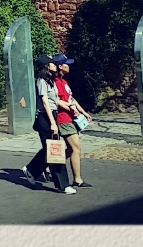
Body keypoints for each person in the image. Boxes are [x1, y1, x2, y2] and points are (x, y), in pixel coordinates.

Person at [22, 54, 76, 194]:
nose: (54, 64)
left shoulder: (50, 80)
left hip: (52, 115)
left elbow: (55, 100)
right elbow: (45, 103)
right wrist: (52, 122)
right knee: (54, 149)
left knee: (50, 148)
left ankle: (31, 170)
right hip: (45, 117)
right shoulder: (41, 81)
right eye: (51, 63)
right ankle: (63, 185)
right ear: (46, 66)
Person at [52, 54, 93, 189]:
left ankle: (48, 165)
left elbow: (71, 99)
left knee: (71, 149)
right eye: (66, 64)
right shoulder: (56, 82)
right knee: (76, 148)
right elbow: (57, 100)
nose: (69, 66)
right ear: (60, 66)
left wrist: (83, 112)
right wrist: (70, 108)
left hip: (71, 118)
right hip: (63, 119)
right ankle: (77, 179)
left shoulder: (64, 82)